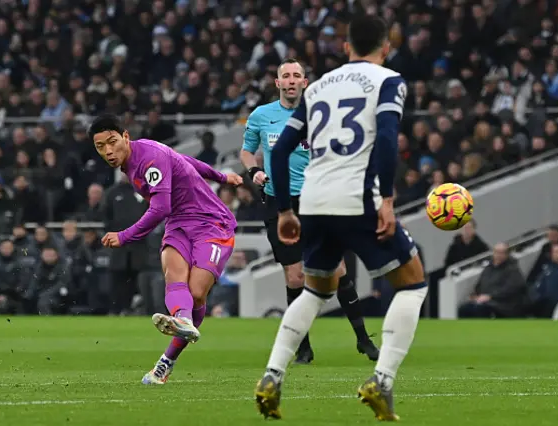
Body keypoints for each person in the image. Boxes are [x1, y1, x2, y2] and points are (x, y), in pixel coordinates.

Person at [254, 15, 427, 421]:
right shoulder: (388, 80)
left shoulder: (318, 87)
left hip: (312, 201)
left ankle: (272, 374)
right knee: (413, 283)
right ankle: (382, 381)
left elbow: (278, 153)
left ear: (346, 47)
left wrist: (283, 210)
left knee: (316, 290)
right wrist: (385, 199)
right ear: (385, 48)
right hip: (357, 198)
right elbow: (386, 138)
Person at [240, 58, 379, 364]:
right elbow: (247, 151)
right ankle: (303, 346)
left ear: (305, 82)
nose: (291, 80)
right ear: (278, 83)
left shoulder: (321, 113)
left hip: (317, 199)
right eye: (285, 75)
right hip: (279, 202)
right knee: (295, 277)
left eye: (296, 76)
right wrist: (254, 173)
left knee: (337, 269)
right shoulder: (262, 116)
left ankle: (362, 339)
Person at [88, 114, 243, 385]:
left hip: (211, 224)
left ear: (126, 136)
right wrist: (221, 176)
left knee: (195, 293)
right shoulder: (137, 159)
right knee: (173, 275)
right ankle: (181, 324)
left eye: (112, 142)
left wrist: (124, 236)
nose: (108, 151)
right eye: (101, 147)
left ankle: (168, 358)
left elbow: (161, 208)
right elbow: (185, 162)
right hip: (179, 225)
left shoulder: (148, 159)